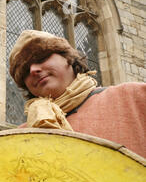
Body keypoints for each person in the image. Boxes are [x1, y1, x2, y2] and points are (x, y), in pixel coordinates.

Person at [9, 30, 145, 158]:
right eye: (25, 71)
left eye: (40, 58)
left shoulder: (132, 97)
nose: (33, 70)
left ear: (67, 57)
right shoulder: (20, 135)